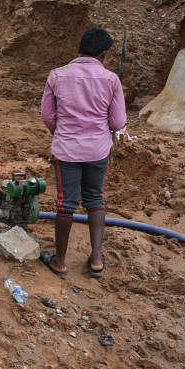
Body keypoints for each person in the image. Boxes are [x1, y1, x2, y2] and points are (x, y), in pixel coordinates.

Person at [39, 27, 127, 278]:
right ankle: (97, 260)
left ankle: (60, 261)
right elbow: (118, 122)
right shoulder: (111, 79)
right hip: (98, 150)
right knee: (95, 199)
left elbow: (47, 115)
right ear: (102, 54)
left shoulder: (57, 75)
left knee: (66, 203)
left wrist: (63, 132)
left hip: (67, 150)